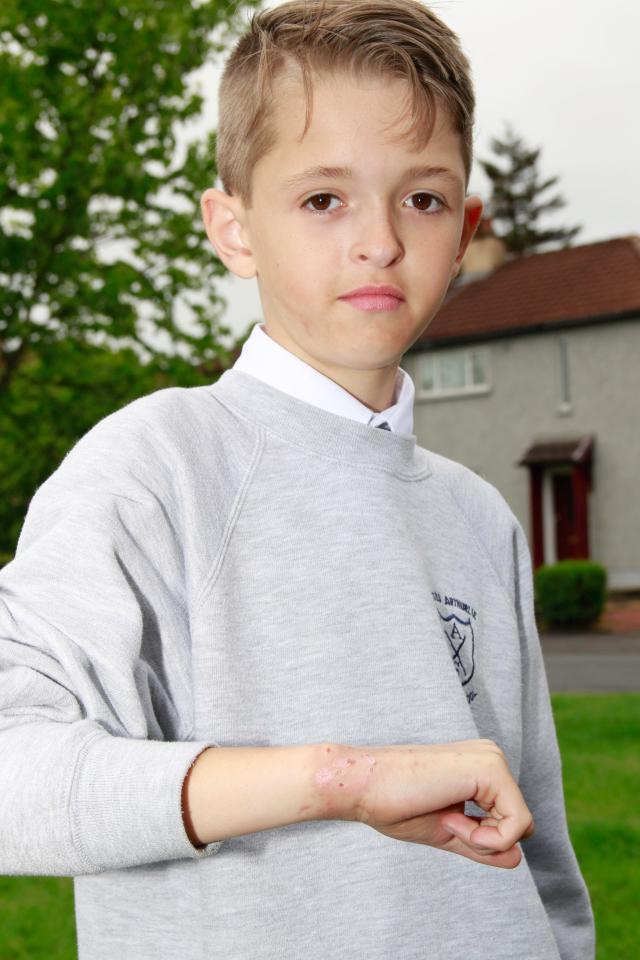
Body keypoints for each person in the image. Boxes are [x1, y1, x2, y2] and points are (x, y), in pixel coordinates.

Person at [0, 1, 594, 957]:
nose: (380, 241)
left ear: (466, 228)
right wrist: (338, 780)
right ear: (234, 231)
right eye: (324, 199)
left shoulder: (479, 515)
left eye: (424, 198)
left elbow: (548, 869)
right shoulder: (152, 466)